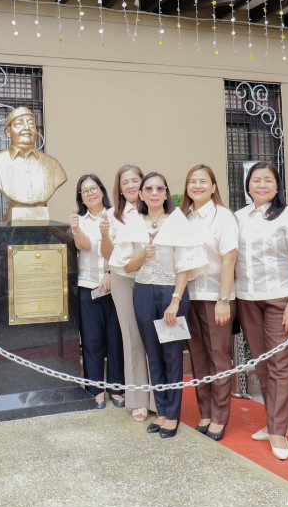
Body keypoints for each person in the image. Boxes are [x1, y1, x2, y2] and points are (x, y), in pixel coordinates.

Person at [112, 172, 205, 439]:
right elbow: (125, 266)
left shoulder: (176, 222)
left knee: (172, 355)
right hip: (142, 291)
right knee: (153, 354)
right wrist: (143, 254)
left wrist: (175, 301)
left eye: (159, 188)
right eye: (148, 188)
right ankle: (162, 411)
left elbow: (185, 265)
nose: (154, 193)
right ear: (140, 195)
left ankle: (173, 415)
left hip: (170, 295)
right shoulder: (133, 223)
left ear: (166, 194)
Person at [234, 162, 288, 461]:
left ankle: (277, 430)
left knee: (280, 364)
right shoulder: (237, 217)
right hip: (247, 298)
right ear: (248, 186)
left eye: (268, 180)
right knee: (262, 364)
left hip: (281, 298)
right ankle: (278, 421)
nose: (261, 185)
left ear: (277, 187)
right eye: (256, 180)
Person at [181, 165, 238, 441]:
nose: (198, 185)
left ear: (214, 187)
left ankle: (219, 416)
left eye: (204, 181)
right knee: (198, 357)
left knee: (219, 357)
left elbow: (229, 259)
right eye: (193, 181)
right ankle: (205, 411)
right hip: (190, 297)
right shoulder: (183, 217)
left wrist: (224, 300)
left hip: (216, 297)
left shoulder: (223, 217)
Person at [69, 174, 123, 408]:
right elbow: (86, 246)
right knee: (91, 340)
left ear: (102, 190)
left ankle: (117, 388)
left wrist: (111, 274)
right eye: (84, 190)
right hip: (88, 286)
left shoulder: (117, 217)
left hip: (116, 286)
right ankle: (95, 388)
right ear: (81, 197)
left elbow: (122, 250)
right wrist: (75, 229)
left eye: (94, 188)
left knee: (115, 339)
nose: (90, 193)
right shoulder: (79, 220)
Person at [100, 165, 149, 420]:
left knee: (154, 336)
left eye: (135, 180)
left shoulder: (152, 208)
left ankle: (160, 397)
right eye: (125, 182)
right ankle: (139, 399)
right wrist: (105, 234)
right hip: (123, 278)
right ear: (119, 188)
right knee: (131, 337)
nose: (130, 186)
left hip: (150, 279)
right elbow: (107, 254)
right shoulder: (112, 214)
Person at [0, 106, 68, 216]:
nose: (26, 128)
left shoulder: (53, 165)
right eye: (19, 124)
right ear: (8, 131)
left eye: (31, 123)